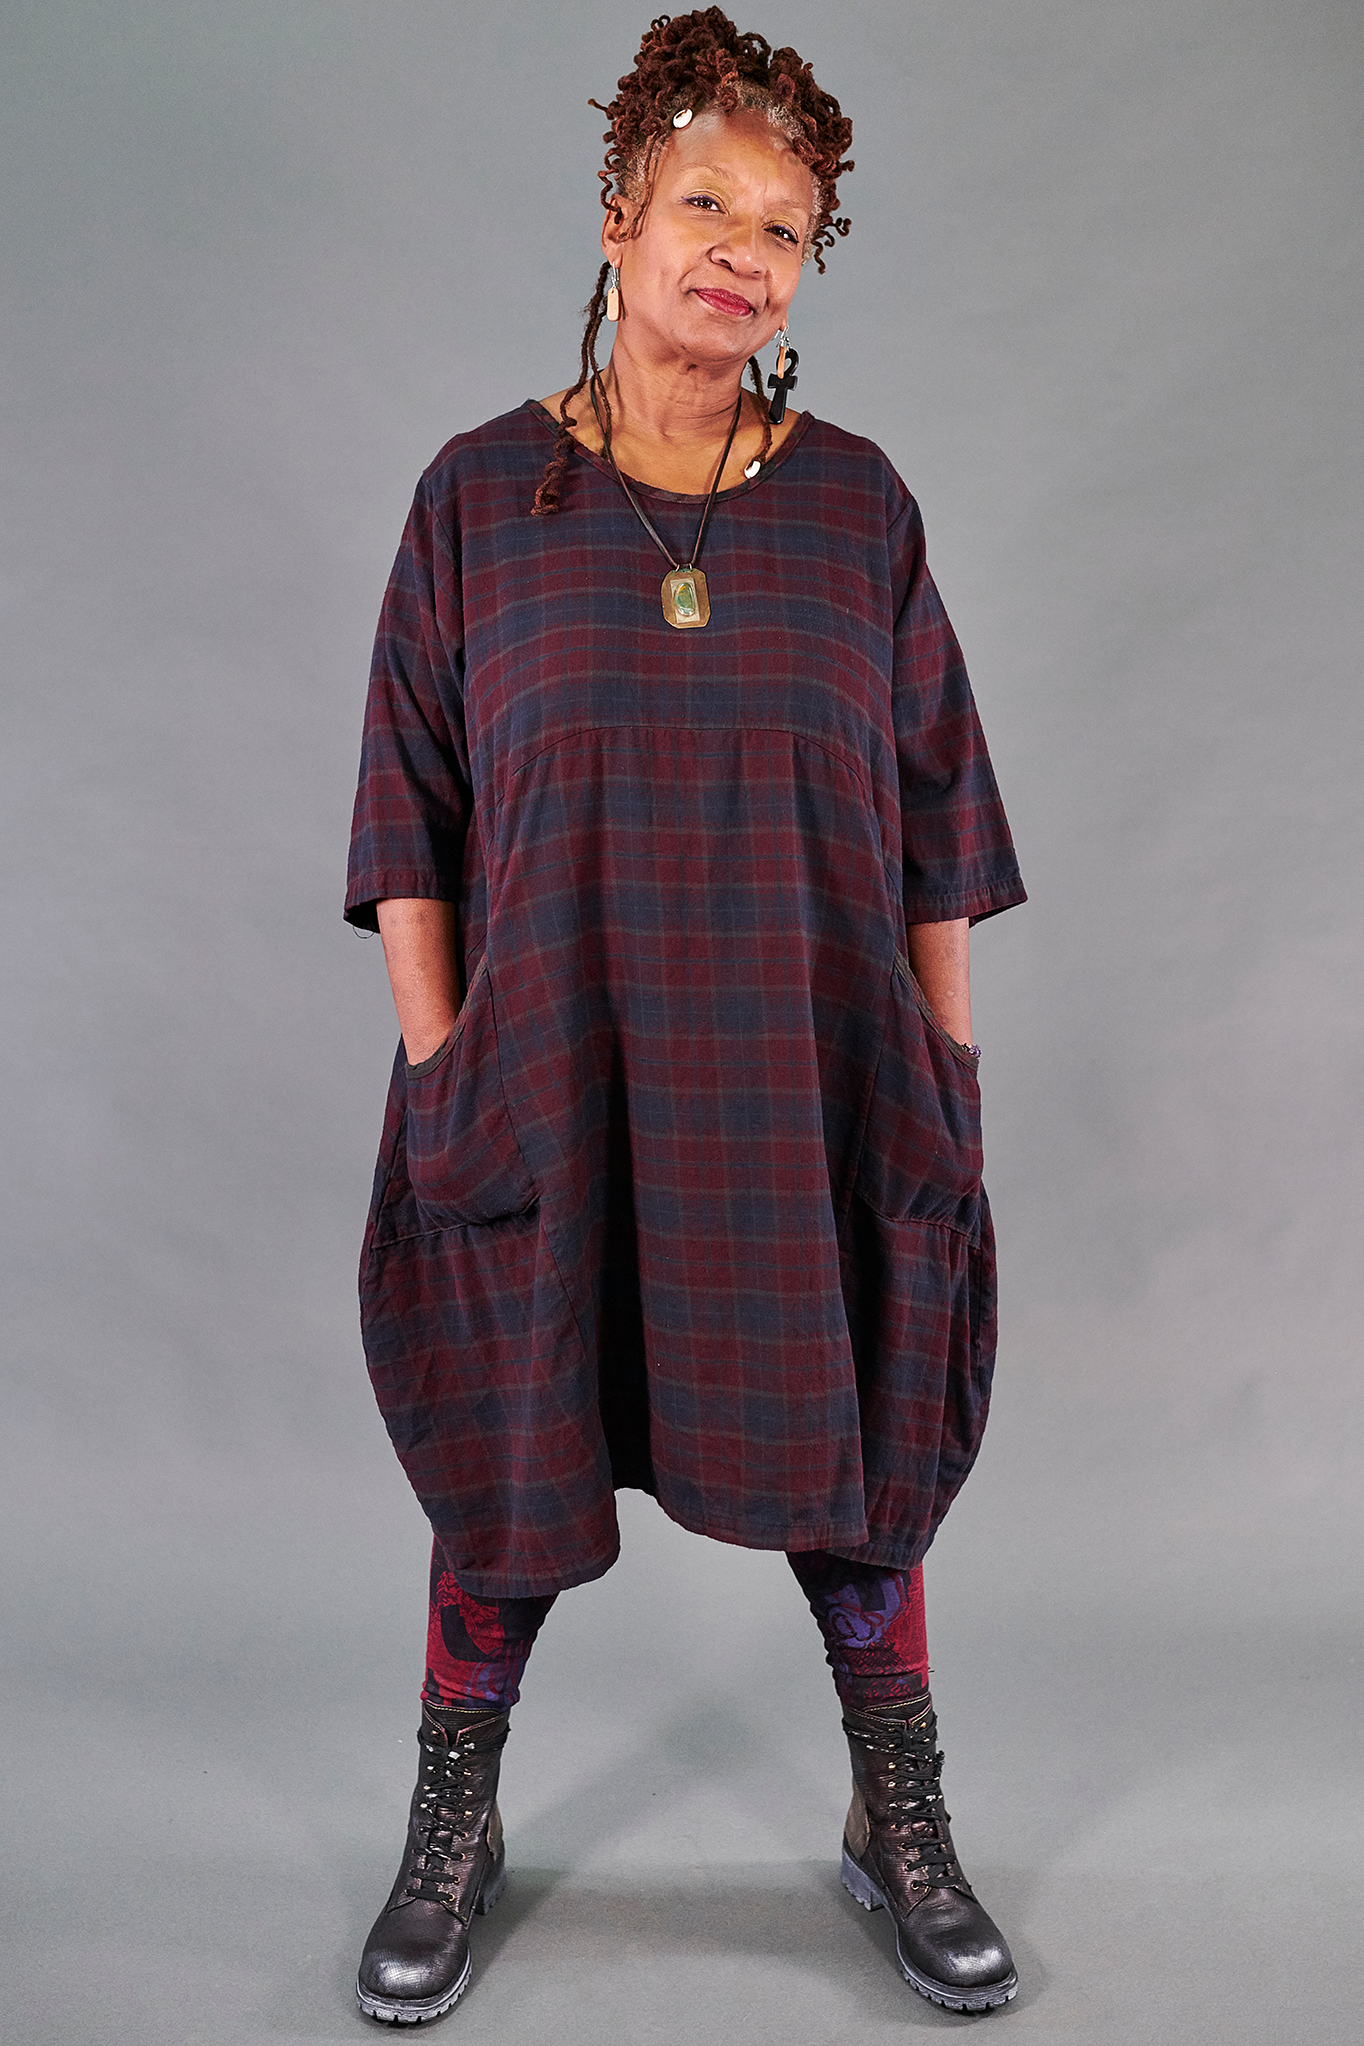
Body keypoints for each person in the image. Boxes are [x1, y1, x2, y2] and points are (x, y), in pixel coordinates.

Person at [344, 8, 1026, 2024]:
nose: (744, 252)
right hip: (552, 1066)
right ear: (619, 213)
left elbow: (940, 825)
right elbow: (406, 820)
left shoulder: (859, 509)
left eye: (785, 227)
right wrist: (441, 1062)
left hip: (807, 1071)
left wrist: (946, 1075)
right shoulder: (478, 500)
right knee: (513, 1440)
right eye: (707, 205)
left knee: (856, 1442)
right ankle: (453, 1813)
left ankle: (897, 1805)